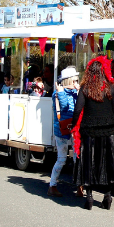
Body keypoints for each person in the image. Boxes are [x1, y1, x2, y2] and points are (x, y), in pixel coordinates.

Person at [71, 56, 114, 210]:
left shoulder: (85, 88)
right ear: (103, 71)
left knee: (89, 162)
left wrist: (73, 126)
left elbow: (78, 109)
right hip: (110, 131)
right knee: (108, 163)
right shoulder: (111, 88)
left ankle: (89, 197)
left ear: (89, 72)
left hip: (89, 131)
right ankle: (107, 196)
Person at [48, 66, 80, 198]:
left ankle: (80, 185)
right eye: (74, 81)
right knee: (61, 159)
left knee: (77, 157)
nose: (76, 83)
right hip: (61, 130)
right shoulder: (57, 93)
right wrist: (61, 93)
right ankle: (52, 185)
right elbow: (65, 106)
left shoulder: (75, 92)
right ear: (68, 81)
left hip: (74, 129)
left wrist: (79, 92)